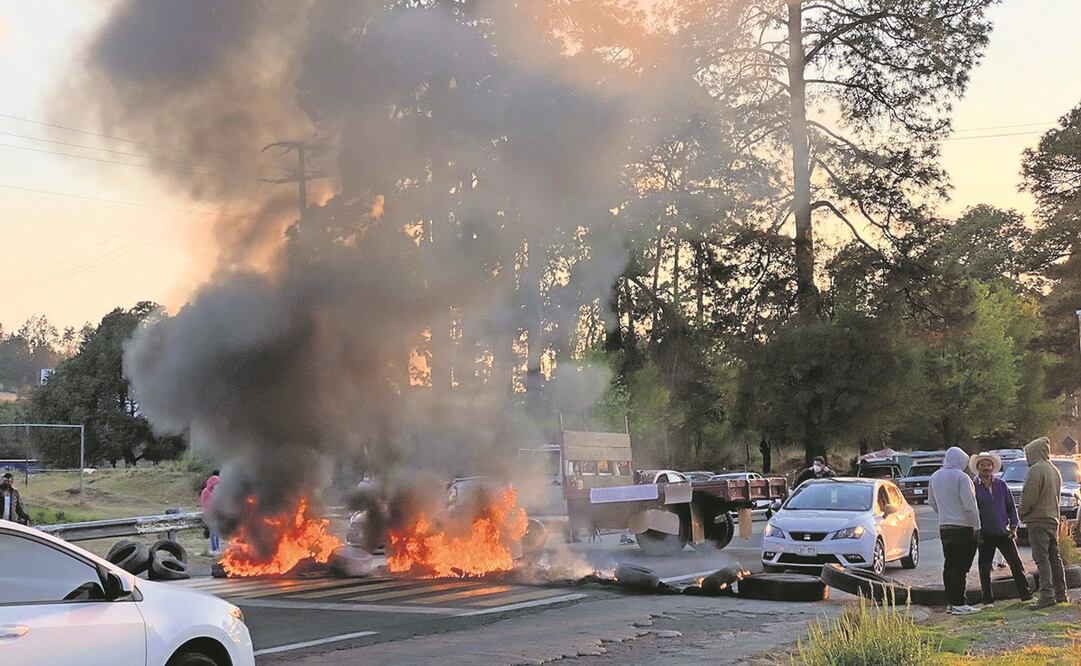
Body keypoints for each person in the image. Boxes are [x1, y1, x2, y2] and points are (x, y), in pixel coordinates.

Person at [970, 452, 1031, 606]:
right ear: (977, 468)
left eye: (988, 465)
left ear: (993, 467)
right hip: (985, 533)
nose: (986, 468)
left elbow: (1011, 507)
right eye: (982, 465)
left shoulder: (1001, 485)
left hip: (1003, 532)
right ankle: (987, 600)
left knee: (1016, 564)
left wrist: (1014, 526)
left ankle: (1026, 596)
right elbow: (971, 510)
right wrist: (975, 531)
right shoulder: (973, 487)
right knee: (984, 568)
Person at [929, 447, 981, 615]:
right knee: (961, 566)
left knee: (949, 565)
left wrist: (944, 514)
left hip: (944, 527)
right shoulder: (962, 477)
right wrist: (976, 527)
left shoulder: (935, 477)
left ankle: (951, 602)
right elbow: (970, 506)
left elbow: (932, 501)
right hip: (963, 527)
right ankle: (960, 602)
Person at [1019, 437, 1069, 609]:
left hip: (1038, 520)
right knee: (1055, 558)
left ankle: (1046, 595)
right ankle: (1061, 593)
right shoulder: (1054, 469)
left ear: (1033, 452)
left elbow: (1028, 497)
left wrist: (1022, 513)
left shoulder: (1035, 470)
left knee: (1042, 559)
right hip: (1052, 519)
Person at [201, 470, 222, 555]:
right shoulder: (206, 492)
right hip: (210, 514)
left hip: (217, 514)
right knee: (213, 532)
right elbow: (206, 504)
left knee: (217, 532)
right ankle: (214, 549)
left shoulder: (216, 492)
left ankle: (217, 548)